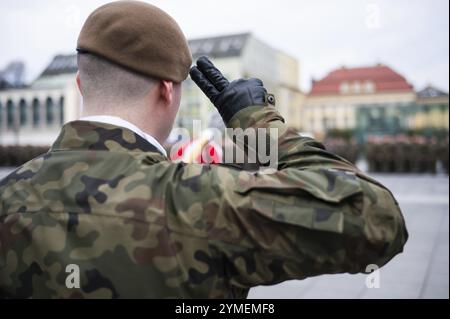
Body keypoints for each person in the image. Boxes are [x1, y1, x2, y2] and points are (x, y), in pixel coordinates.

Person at [0, 1, 408, 298]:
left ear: (79, 84)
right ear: (167, 91)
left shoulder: (9, 197)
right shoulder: (199, 199)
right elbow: (375, 217)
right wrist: (259, 122)